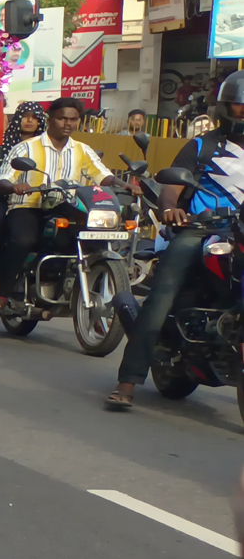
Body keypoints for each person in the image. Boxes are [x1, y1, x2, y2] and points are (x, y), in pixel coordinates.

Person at [110, 73, 244, 411]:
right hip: (202, 229)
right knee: (163, 294)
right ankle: (128, 380)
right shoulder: (202, 146)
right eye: (240, 107)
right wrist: (171, 210)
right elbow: (172, 189)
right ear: (226, 107)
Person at [0, 96, 110, 309]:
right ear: (49, 119)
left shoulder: (82, 149)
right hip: (28, 206)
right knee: (23, 241)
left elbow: (102, 175)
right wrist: (14, 186)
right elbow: (3, 179)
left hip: (65, 206)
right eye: (62, 118)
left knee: (92, 238)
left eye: (73, 120)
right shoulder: (26, 147)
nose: (68, 124)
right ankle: (2, 293)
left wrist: (125, 184)